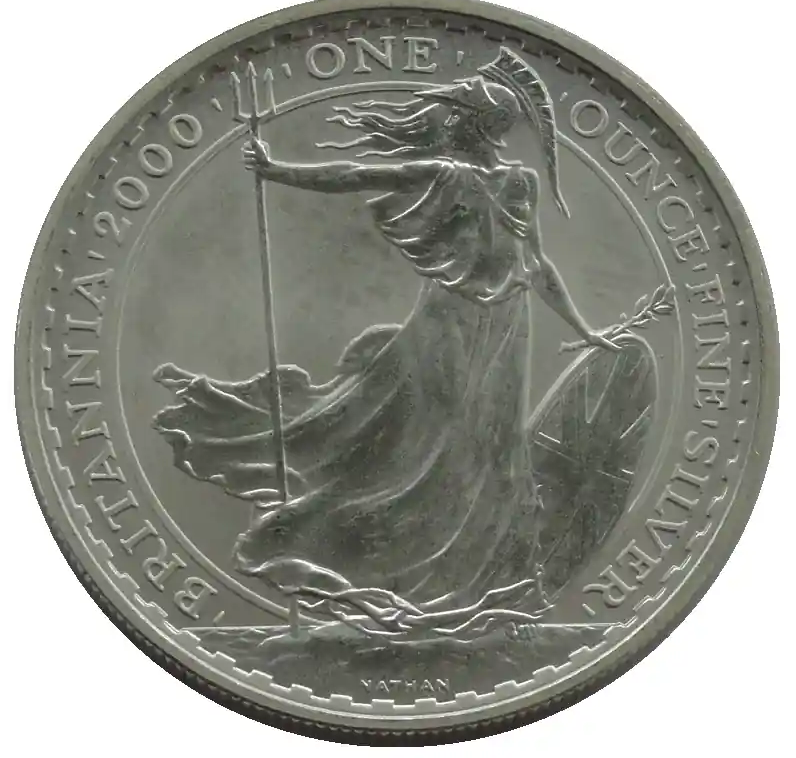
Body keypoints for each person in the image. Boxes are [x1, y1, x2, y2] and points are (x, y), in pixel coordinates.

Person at [153, 48, 617, 612]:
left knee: (490, 448)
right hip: (450, 322)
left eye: (455, 114)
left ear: (475, 124)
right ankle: (388, 559)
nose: (444, 121)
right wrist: (277, 171)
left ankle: (480, 577)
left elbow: (538, 265)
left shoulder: (518, 183)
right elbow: (356, 174)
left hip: (505, 327)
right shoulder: (447, 173)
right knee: (428, 442)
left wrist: (584, 329)